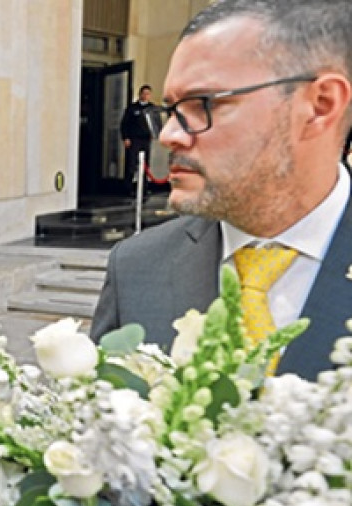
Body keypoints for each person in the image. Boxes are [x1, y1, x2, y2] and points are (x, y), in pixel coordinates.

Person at [91, 0, 352, 382]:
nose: (169, 135)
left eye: (204, 105)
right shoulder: (136, 267)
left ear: (319, 105)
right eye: (171, 109)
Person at [120, 84, 158, 196]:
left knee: (145, 164)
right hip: (134, 139)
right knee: (132, 164)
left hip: (146, 139)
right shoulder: (132, 108)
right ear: (140, 94)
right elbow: (124, 124)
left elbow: (156, 123)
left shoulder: (152, 108)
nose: (146, 96)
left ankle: (144, 189)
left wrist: (155, 134)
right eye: (144, 93)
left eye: (148, 94)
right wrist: (126, 137)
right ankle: (128, 188)